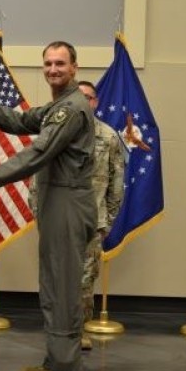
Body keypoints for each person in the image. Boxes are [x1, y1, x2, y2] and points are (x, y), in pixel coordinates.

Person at [0, 41, 96, 371]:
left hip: (68, 202)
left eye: (60, 63)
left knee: (64, 287)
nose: (53, 69)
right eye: (48, 63)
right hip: (57, 201)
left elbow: (39, 152)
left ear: (75, 68)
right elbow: (22, 121)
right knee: (54, 282)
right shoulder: (58, 106)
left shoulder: (71, 109)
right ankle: (56, 359)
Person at [77, 80, 125, 350]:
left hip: (92, 224)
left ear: (95, 102)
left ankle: (80, 331)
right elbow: (38, 180)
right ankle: (59, 332)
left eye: (89, 97)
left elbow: (117, 183)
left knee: (85, 283)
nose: (84, 101)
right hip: (60, 224)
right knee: (57, 282)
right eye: (79, 96)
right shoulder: (58, 132)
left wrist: (107, 222)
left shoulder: (108, 137)